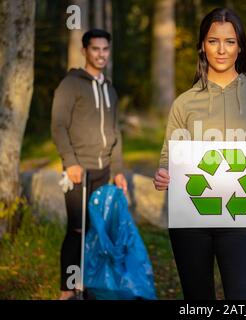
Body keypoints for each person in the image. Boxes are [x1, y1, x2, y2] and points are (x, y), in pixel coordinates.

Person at [154, 8, 246, 300]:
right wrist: (162, 175)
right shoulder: (184, 104)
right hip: (192, 220)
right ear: (202, 45)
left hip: (241, 219)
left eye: (230, 41)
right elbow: (168, 159)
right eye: (213, 41)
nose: (221, 50)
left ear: (240, 46)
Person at [51, 29, 127, 300]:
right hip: (78, 171)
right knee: (77, 229)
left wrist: (117, 171)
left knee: (96, 231)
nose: (101, 54)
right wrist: (70, 162)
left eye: (105, 49)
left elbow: (115, 132)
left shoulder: (110, 89)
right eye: (95, 49)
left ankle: (87, 286)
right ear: (85, 51)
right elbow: (58, 126)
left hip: (103, 170)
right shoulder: (71, 85)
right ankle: (67, 291)